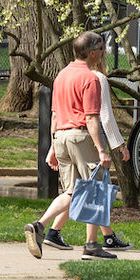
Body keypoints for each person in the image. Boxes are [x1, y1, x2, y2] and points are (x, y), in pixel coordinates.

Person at [23, 31, 127, 260]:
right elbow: (92, 118)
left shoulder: (61, 76)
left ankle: (39, 226)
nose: (103, 53)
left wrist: (52, 145)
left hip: (61, 137)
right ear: (92, 53)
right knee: (96, 189)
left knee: (72, 191)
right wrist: (102, 150)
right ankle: (91, 245)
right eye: (101, 49)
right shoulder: (90, 78)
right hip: (81, 137)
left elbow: (54, 115)